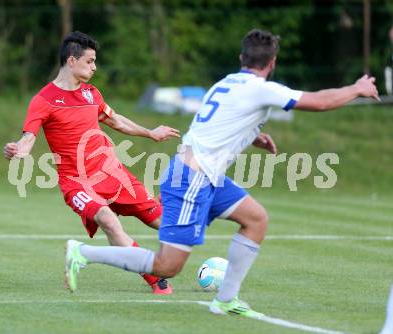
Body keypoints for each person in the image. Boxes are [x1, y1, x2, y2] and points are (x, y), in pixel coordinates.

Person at [64, 28, 380, 316]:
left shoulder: (227, 83)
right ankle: (84, 253)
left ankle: (227, 300)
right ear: (272, 62)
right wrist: (356, 88)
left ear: (242, 57)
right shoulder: (260, 88)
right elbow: (319, 102)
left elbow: (213, 122)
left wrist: (253, 136)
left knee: (256, 219)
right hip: (190, 179)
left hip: (206, 177)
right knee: (167, 266)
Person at [3, 31, 181, 295]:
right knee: (109, 221)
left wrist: (150, 133)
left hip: (112, 174)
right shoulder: (44, 100)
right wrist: (20, 150)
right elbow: (29, 136)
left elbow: (116, 120)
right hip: (77, 184)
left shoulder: (92, 94)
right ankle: (156, 280)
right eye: (90, 61)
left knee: (166, 225)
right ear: (71, 61)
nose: (95, 67)